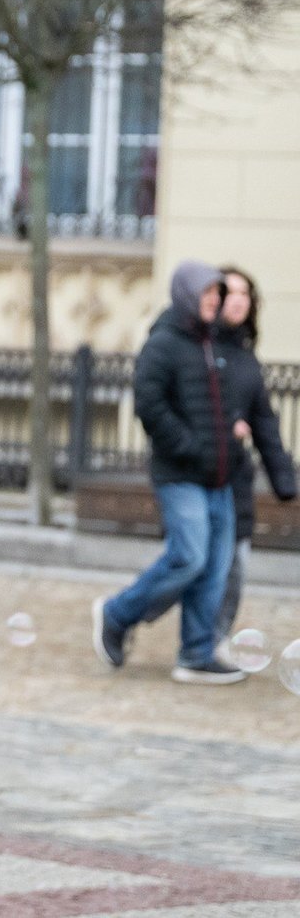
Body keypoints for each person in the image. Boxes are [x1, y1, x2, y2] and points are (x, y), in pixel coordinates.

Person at [92, 260, 247, 684]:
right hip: (180, 475)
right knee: (189, 557)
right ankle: (117, 613)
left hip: (220, 476)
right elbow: (149, 404)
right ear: (187, 294)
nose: (215, 301)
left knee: (214, 568)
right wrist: (189, 446)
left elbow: (224, 400)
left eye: (217, 294)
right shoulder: (163, 343)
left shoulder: (213, 342)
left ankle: (196, 654)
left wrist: (232, 430)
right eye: (208, 293)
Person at [211, 266, 297, 651]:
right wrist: (226, 425)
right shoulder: (199, 348)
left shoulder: (247, 357)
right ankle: (122, 614)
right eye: (229, 292)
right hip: (201, 476)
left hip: (236, 479)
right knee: (194, 565)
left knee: (236, 566)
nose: (238, 300)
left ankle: (212, 641)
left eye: (245, 293)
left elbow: (264, 423)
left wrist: (285, 481)